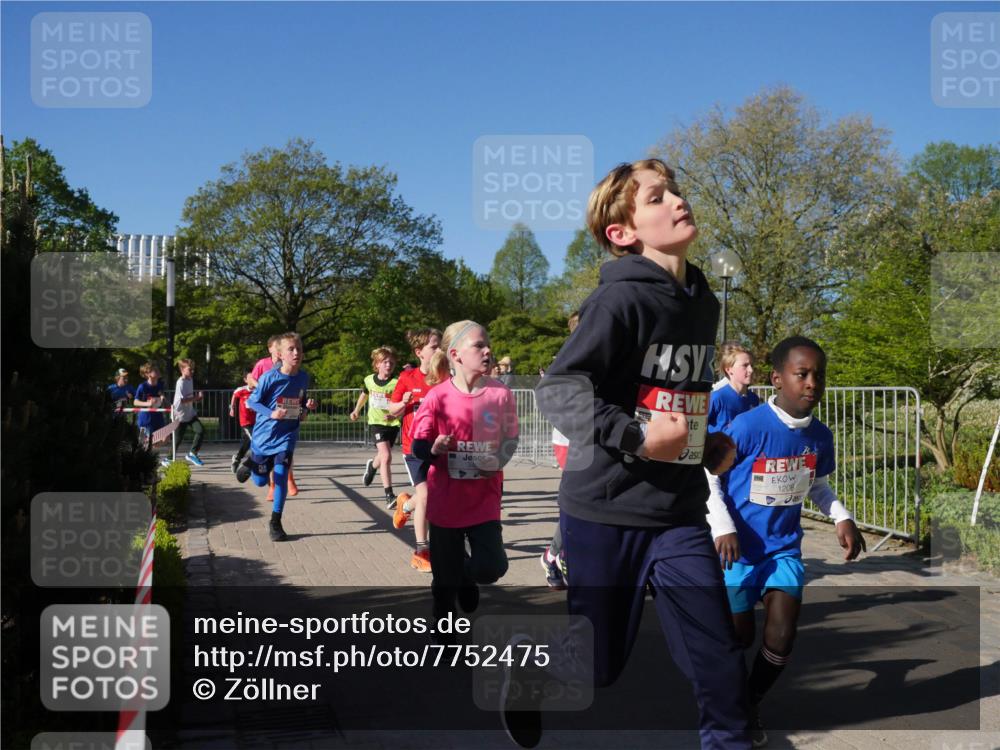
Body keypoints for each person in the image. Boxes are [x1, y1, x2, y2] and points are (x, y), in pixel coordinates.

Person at [519, 159, 749, 750]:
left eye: (675, 190)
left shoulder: (703, 302)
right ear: (623, 232)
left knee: (718, 654)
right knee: (598, 666)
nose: (676, 200)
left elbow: (675, 398)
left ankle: (729, 740)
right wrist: (640, 438)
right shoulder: (617, 301)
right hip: (605, 511)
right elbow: (560, 389)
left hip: (676, 514)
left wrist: (701, 446)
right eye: (656, 197)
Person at [706, 336, 865, 747]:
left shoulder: (820, 436)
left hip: (782, 550)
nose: (813, 383)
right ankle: (726, 697)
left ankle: (747, 703)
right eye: (802, 374)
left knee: (781, 636)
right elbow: (710, 478)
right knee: (739, 638)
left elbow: (817, 483)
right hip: (737, 551)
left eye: (819, 375)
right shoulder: (748, 426)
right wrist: (722, 525)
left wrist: (841, 516)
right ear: (778, 379)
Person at [410, 320, 519, 641]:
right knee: (443, 584)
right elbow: (418, 445)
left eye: (488, 345)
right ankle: (444, 635)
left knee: (492, 567)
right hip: (445, 502)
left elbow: (511, 438)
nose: (488, 351)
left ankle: (465, 577)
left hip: (484, 500)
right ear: (456, 354)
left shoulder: (500, 394)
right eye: (479, 346)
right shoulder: (438, 397)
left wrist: (498, 459)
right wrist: (433, 448)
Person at [236, 332, 316, 541]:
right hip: (264, 437)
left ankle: (276, 522)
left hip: (287, 436)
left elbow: (301, 408)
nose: (296, 352)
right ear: (280, 354)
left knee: (280, 475)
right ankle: (252, 462)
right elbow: (251, 402)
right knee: (261, 482)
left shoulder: (303, 377)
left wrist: (307, 408)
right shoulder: (269, 377)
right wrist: (271, 413)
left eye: (299, 348)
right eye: (291, 349)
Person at [387, 328, 441, 572]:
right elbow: (392, 409)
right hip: (414, 449)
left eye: (440, 345)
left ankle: (406, 505)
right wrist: (404, 402)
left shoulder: (446, 376)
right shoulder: (407, 377)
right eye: (434, 346)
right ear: (419, 352)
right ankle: (421, 550)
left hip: (440, 447)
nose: (439, 350)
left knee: (436, 496)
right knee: (428, 496)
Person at [542, 310, 580, 590]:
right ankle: (555, 555)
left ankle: (553, 554)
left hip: (592, 439)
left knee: (584, 503)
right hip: (569, 440)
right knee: (577, 502)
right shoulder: (567, 360)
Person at [350, 346, 401, 507]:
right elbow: (365, 394)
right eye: (385, 362)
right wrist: (356, 410)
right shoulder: (369, 380)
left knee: (382, 456)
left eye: (392, 362)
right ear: (377, 364)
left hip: (392, 424)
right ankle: (389, 495)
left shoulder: (397, 383)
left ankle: (372, 467)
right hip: (376, 423)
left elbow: (402, 404)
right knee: (386, 456)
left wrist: (395, 414)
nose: (389, 365)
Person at [250, 335, 300, 498]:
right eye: (271, 346)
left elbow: (300, 394)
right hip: (266, 423)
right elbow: (251, 379)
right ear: (273, 350)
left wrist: (305, 408)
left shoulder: (294, 369)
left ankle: (287, 480)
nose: (273, 349)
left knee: (284, 456)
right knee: (260, 478)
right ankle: (255, 467)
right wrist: (262, 388)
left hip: (286, 423)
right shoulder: (263, 365)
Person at [708, 342, 760, 433]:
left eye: (752, 365)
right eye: (745, 365)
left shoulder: (754, 399)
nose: (751, 370)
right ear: (729, 369)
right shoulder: (717, 398)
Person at [172, 358, 205, 466]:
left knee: (200, 430)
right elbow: (182, 400)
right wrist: (196, 398)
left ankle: (192, 453)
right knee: (178, 439)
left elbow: (189, 398)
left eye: (193, 370)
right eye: (190, 369)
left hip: (190, 414)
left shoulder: (190, 380)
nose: (192, 372)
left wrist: (198, 399)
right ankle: (168, 458)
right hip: (180, 415)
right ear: (182, 370)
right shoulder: (180, 382)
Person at [229, 366, 257, 474]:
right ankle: (252, 464)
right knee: (255, 440)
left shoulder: (257, 390)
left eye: (254, 378)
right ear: (245, 380)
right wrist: (232, 407)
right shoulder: (242, 390)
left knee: (247, 443)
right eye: (250, 378)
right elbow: (234, 395)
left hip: (255, 421)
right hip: (245, 421)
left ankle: (237, 458)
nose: (252, 380)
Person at [133, 362, 166, 451]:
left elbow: (160, 393)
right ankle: (145, 453)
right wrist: (148, 404)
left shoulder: (160, 384)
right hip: (146, 418)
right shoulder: (142, 386)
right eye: (155, 370)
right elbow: (135, 402)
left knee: (165, 438)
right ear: (148, 374)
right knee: (145, 442)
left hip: (157, 416)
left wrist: (162, 397)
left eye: (157, 369)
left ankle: (148, 450)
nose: (158, 371)